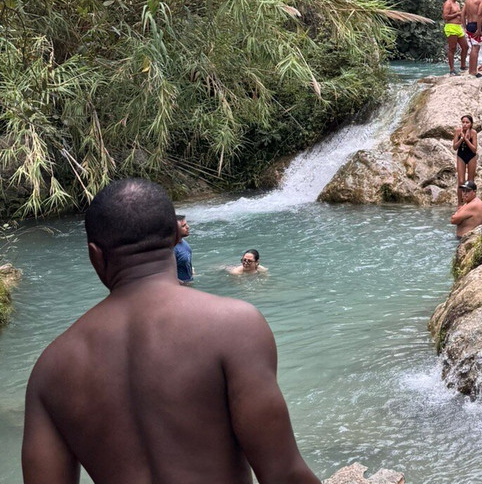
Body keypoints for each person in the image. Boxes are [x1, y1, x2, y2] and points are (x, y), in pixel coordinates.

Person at [22, 179, 319, 484]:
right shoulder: (235, 325)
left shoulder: (50, 369)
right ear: (178, 237)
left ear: (94, 255)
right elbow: (284, 474)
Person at [453, 114, 478, 203]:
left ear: (471, 124)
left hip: (471, 156)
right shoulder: (457, 131)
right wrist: (461, 139)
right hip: (461, 155)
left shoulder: (473, 133)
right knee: (461, 181)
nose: (465, 124)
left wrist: (467, 140)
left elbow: (474, 149)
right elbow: (455, 147)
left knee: (470, 181)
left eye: (467, 122)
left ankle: (470, 203)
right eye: (463, 122)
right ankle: (460, 204)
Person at [463, 0, 482, 77]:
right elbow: (479, 14)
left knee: (473, 47)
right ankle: (474, 72)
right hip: (476, 25)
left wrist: (464, 26)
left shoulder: (467, 0)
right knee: (475, 49)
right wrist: (478, 29)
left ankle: (471, 71)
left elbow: (462, 14)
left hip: (469, 25)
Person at [442, 0, 466, 76]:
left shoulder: (457, 4)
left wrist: (464, 25)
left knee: (465, 46)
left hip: (458, 27)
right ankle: (452, 70)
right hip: (451, 27)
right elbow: (445, 16)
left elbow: (460, 15)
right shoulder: (448, 3)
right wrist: (457, 14)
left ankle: (463, 66)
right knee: (452, 48)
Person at [175, 215, 193, 285]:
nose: (188, 227)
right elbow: (165, 275)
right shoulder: (171, 249)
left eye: (186, 224)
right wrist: (183, 284)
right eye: (183, 226)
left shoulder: (184, 243)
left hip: (188, 283)